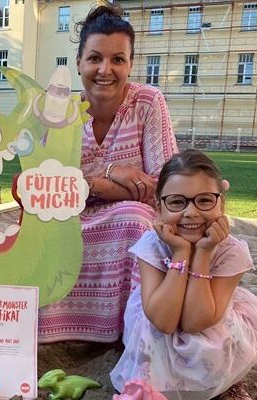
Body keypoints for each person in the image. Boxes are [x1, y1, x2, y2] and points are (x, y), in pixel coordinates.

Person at [38, 4, 179, 343]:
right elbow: (45, 187)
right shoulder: (59, 114)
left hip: (132, 222)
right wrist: (109, 174)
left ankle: (134, 332)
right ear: (78, 63)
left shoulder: (147, 102)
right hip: (70, 220)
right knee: (41, 233)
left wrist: (86, 184)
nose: (105, 69)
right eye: (95, 58)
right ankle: (69, 329)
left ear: (130, 64)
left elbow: (166, 184)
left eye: (118, 59)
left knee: (136, 221)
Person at [110, 149, 257, 400]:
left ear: (221, 204)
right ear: (159, 207)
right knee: (153, 334)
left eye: (204, 200)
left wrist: (203, 253)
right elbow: (164, 321)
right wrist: (180, 253)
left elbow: (196, 321)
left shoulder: (231, 250)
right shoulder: (152, 245)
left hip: (210, 314)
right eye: (177, 202)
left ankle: (228, 380)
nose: (191, 212)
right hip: (161, 313)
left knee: (221, 334)